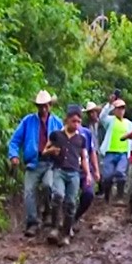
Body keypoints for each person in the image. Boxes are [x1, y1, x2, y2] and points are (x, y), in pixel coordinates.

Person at [8, 90, 63, 237]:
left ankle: (48, 211)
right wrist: (13, 155)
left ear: (50, 105)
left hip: (51, 163)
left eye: (45, 106)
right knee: (28, 192)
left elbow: (64, 143)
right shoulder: (28, 121)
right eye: (40, 106)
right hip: (33, 162)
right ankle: (32, 222)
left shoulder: (57, 122)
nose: (43, 109)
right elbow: (15, 140)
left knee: (48, 186)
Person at [41, 105, 89, 245]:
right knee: (58, 196)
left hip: (74, 172)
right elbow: (44, 151)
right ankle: (55, 228)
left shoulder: (81, 139)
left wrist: (88, 174)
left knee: (71, 203)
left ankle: (66, 233)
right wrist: (52, 151)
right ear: (67, 120)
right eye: (73, 121)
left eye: (79, 122)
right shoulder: (56, 135)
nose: (76, 124)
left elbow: (84, 157)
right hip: (59, 170)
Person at [98, 98, 132, 203]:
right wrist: (109, 104)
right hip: (110, 152)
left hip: (123, 153)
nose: (120, 110)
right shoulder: (110, 120)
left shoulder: (128, 123)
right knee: (107, 176)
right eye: (118, 108)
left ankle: (120, 197)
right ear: (114, 110)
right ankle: (107, 196)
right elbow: (102, 117)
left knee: (120, 173)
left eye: (122, 108)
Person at [75, 105, 102, 224]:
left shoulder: (86, 133)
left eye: (78, 119)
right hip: (70, 168)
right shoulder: (62, 132)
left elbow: (91, 152)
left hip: (85, 169)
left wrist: (96, 170)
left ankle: (76, 217)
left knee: (89, 194)